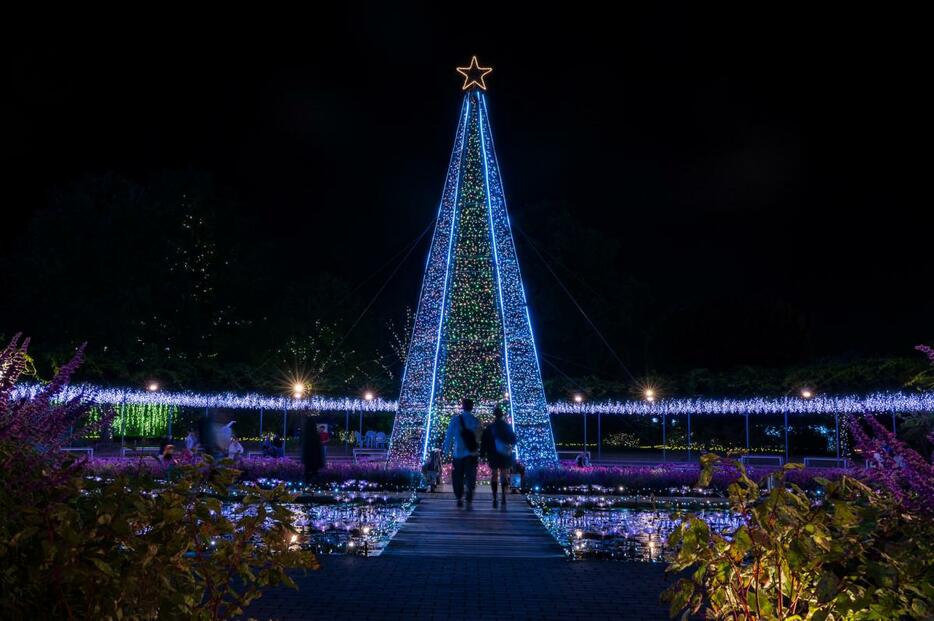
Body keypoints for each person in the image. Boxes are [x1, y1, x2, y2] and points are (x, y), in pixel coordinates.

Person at [443, 397, 481, 509]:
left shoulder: (455, 420)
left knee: (457, 477)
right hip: (472, 454)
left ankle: (459, 497)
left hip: (458, 453)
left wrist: (446, 451)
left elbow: (449, 436)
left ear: (462, 407)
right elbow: (479, 438)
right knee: (471, 477)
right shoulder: (476, 420)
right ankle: (468, 500)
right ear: (472, 407)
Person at [480, 405, 517, 510]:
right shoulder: (507, 426)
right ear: (502, 415)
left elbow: (484, 442)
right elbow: (514, 439)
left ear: (494, 415)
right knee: (504, 474)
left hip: (493, 454)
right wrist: (509, 446)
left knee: (494, 475)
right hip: (504, 454)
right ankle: (504, 497)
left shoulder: (490, 427)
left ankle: (495, 497)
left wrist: (482, 454)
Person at [302, 417, 325, 483]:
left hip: (308, 461)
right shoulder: (316, 436)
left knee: (307, 477)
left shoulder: (306, 436)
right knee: (315, 477)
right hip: (315, 461)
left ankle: (307, 488)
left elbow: (305, 450)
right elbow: (319, 450)